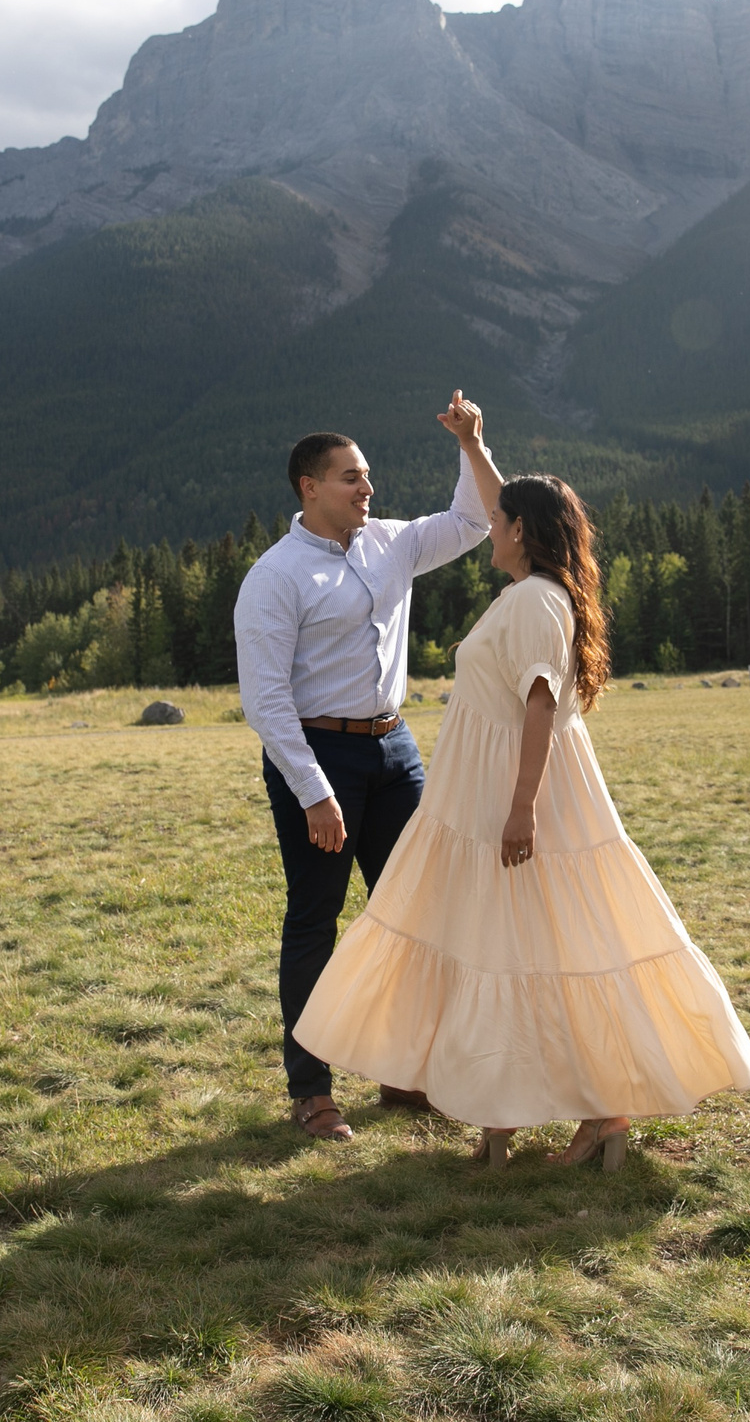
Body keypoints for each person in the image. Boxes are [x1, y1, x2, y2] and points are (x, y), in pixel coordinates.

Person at [295, 474, 750, 1169]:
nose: (490, 525)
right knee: (510, 945)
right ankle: (511, 1115)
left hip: (520, 796)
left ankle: (594, 1109)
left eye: (499, 516)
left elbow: (540, 703)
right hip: (484, 794)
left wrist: (521, 808)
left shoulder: (539, 599)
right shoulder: (527, 596)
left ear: (520, 531)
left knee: (548, 945)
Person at [235, 393, 506, 1141]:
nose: (368, 489)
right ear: (309, 487)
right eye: (352, 477)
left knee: (417, 917)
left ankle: (404, 1069)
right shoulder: (275, 576)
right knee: (315, 921)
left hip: (396, 750)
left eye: (369, 477)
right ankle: (312, 1090)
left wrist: (471, 444)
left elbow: (478, 520)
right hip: (318, 758)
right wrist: (316, 792)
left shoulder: (393, 542)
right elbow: (264, 702)